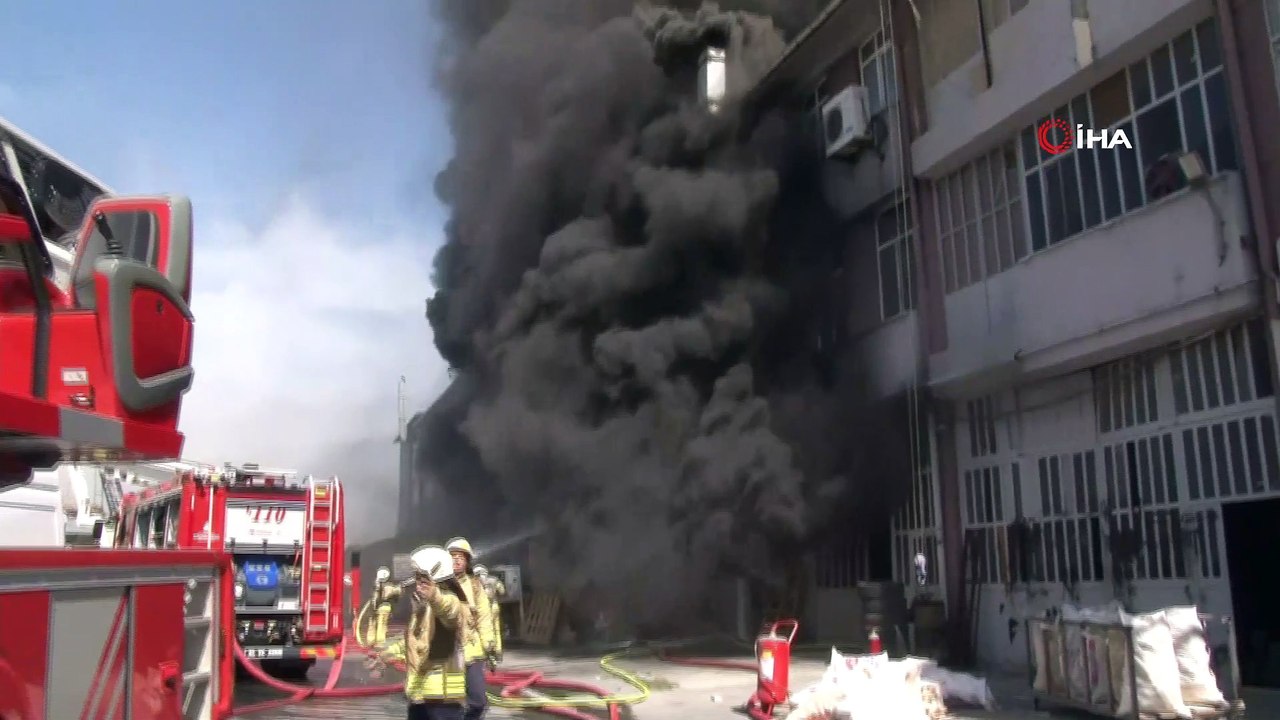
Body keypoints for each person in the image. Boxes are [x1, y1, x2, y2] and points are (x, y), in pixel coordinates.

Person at [379, 545, 472, 720]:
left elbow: (449, 612)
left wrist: (434, 596)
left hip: (443, 701)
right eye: (417, 578)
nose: (417, 583)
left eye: (422, 578)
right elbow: (415, 639)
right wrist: (387, 653)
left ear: (435, 577)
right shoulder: (423, 607)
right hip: (420, 697)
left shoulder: (451, 600)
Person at [445, 537, 497, 720]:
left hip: (473, 652)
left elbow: (484, 617)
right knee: (450, 704)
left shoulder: (475, 586)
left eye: (461, 557)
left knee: (478, 702)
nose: (457, 560)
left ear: (467, 561)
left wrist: (490, 646)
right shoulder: (439, 586)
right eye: (453, 556)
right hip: (447, 654)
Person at [472, 565, 505, 657]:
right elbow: (502, 591)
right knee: (496, 629)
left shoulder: (473, 582)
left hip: (482, 609)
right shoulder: (494, 580)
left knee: (484, 629)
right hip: (494, 606)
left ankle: (488, 650)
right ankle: (498, 650)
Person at [373, 566, 402, 645]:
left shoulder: (379, 586)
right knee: (384, 623)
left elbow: (375, 598)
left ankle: (380, 640)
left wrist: (374, 607)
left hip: (382, 606)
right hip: (388, 606)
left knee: (381, 623)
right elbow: (396, 598)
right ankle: (382, 639)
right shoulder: (391, 585)